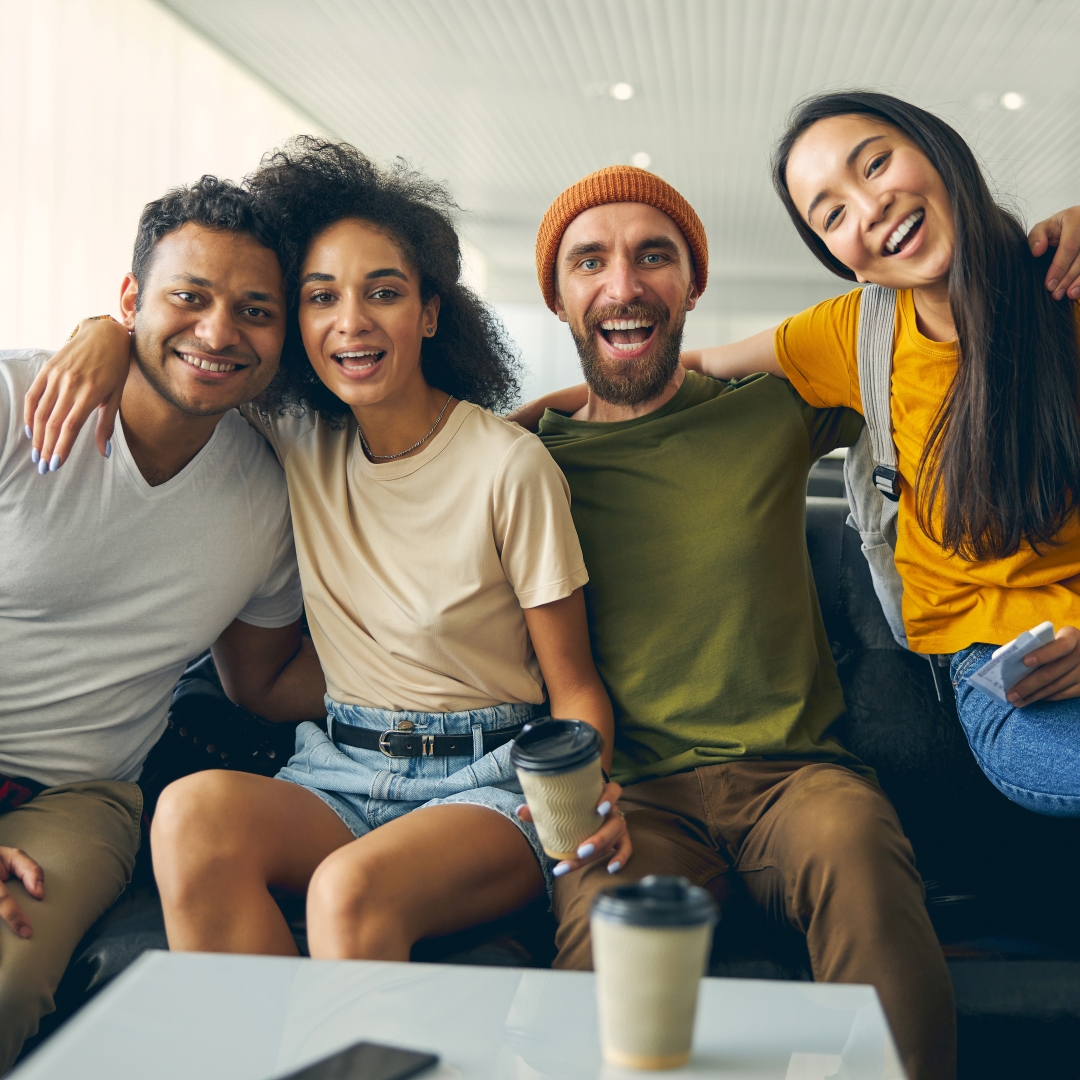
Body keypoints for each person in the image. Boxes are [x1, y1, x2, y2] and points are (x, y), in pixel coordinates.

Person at [34, 138, 630, 963]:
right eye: (319, 298)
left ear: (428, 314)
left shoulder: (509, 467)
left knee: (348, 889)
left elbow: (574, 688)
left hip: (485, 784)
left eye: (382, 293)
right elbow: (191, 358)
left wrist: (576, 812)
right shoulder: (296, 436)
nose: (350, 321)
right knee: (189, 816)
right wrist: (105, 332)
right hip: (339, 771)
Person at [501, 164, 953, 1080]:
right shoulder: (522, 464)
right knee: (601, 948)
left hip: (799, 782)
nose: (623, 285)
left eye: (652, 257)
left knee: (861, 856)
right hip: (634, 799)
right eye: (590, 262)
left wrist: (1056, 235)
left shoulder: (772, 408)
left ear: (693, 285)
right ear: (557, 296)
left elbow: (930, 332)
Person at [677, 92, 1080, 818]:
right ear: (844, 261)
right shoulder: (856, 334)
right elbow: (691, 366)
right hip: (1006, 675)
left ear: (938, 149)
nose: (869, 207)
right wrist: (526, 418)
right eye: (832, 214)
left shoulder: (1063, 284)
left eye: (877, 163)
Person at [0, 178, 324, 1071]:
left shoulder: (264, 494)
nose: (219, 332)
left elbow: (258, 683)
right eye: (189, 297)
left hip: (76, 799)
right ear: (129, 300)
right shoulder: (11, 402)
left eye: (254, 310)